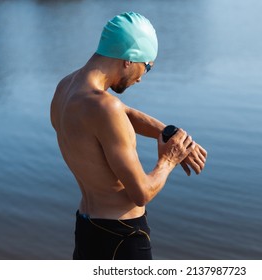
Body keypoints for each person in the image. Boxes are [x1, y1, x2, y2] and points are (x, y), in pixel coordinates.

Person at [50, 12, 207, 260]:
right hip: (121, 237)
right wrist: (169, 160)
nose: (142, 77)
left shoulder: (66, 89)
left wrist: (170, 133)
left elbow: (125, 113)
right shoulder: (105, 108)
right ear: (128, 60)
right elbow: (141, 192)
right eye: (147, 66)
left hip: (87, 229)